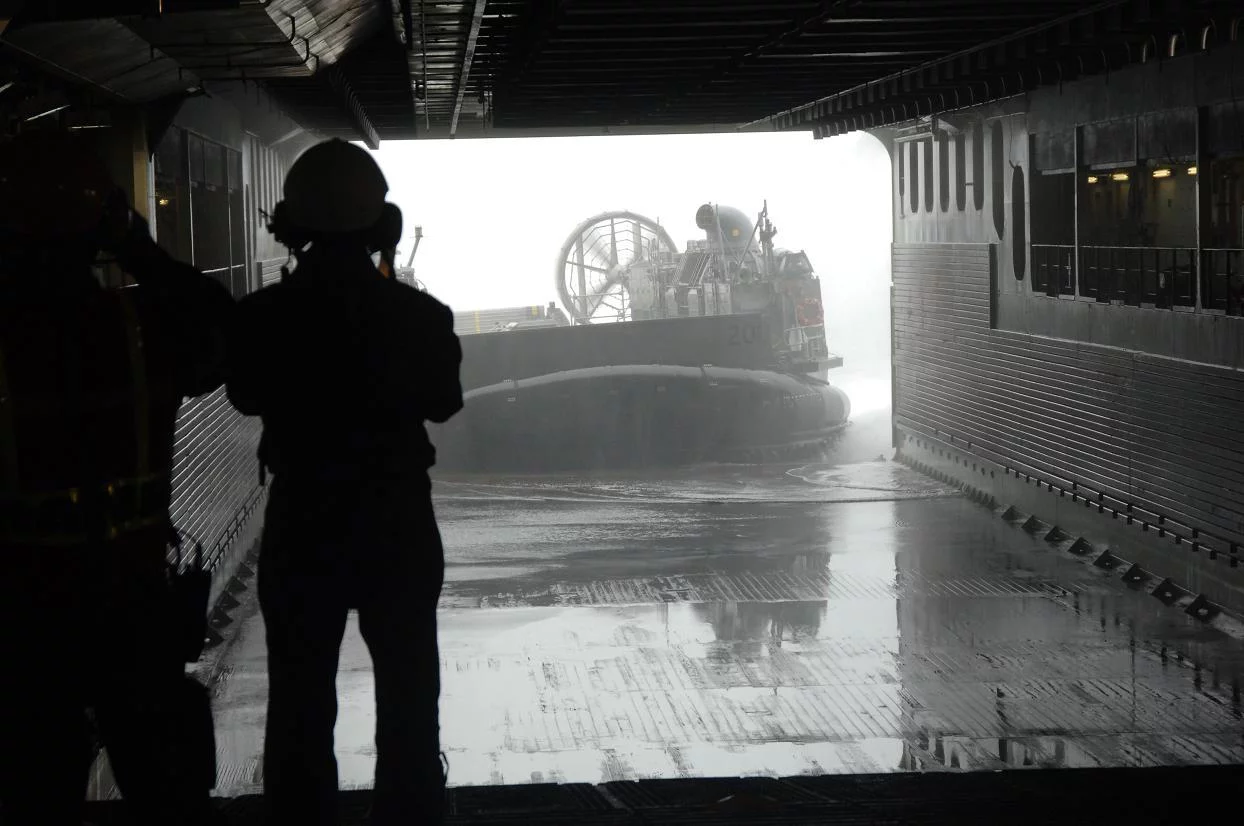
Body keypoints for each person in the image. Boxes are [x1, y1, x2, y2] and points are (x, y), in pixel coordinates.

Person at [227, 139, 463, 826]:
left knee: (300, 697)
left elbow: (244, 396)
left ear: (289, 226)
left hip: (303, 520)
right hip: (395, 517)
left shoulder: (262, 317)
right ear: (382, 227)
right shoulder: (420, 317)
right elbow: (443, 402)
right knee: (409, 690)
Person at [0, 131, 233, 825]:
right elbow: (223, 330)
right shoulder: (138, 327)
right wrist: (139, 247)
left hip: (22, 611)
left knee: (34, 784)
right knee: (165, 786)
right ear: (100, 223)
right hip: (132, 600)